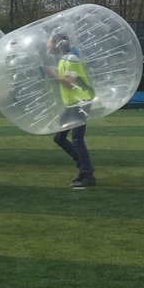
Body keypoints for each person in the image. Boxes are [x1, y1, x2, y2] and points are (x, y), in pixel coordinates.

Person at [45, 31, 96, 188]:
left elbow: (69, 82)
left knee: (77, 139)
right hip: (73, 104)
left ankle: (88, 175)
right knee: (59, 138)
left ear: (58, 44)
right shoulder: (63, 60)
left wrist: (53, 74)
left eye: (50, 42)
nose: (47, 45)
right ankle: (83, 166)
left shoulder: (71, 59)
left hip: (81, 103)